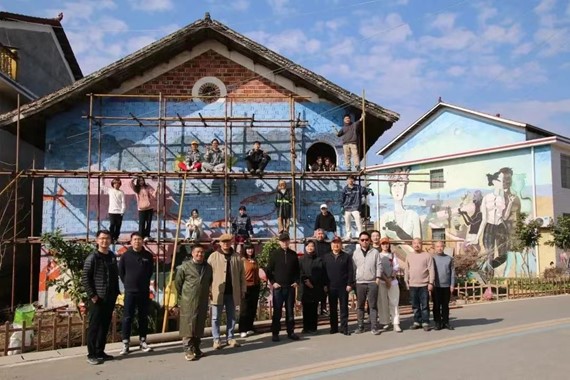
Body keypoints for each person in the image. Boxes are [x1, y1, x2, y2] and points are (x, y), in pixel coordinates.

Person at [81, 230, 120, 365]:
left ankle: (100, 351)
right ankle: (91, 354)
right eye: (102, 238)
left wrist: (116, 292)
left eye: (107, 238)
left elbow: (115, 276)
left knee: (104, 325)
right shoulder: (92, 257)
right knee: (94, 326)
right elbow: (85, 278)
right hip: (98, 298)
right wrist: (92, 295)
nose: (105, 241)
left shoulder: (112, 256)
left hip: (110, 296)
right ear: (97, 240)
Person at [174, 245, 213, 361]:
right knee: (188, 325)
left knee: (199, 324)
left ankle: (197, 348)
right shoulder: (184, 267)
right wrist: (185, 296)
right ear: (192, 253)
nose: (199, 254)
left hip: (202, 300)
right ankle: (188, 349)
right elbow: (178, 284)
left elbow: (209, 281)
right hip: (188, 300)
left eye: (202, 252)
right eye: (197, 252)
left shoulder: (208, 268)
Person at [207, 233, 246, 349]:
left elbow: (241, 275)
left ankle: (230, 338)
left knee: (232, 316)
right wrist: (208, 290)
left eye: (228, 242)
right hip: (217, 292)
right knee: (215, 317)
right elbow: (207, 275)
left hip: (232, 292)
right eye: (223, 242)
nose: (226, 244)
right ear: (220, 243)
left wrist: (243, 289)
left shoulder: (236, 257)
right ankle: (216, 339)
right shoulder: (213, 256)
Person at [118, 232, 154, 355]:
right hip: (130, 292)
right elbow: (121, 273)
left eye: (139, 239)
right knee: (128, 317)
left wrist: (143, 283)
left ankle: (143, 341)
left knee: (143, 317)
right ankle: (126, 342)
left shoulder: (148, 256)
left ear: (142, 241)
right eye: (135, 239)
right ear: (131, 241)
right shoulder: (125, 256)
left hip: (143, 291)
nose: (137, 241)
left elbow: (150, 272)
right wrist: (128, 284)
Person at [265, 232, 300, 342]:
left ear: (289, 241)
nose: (285, 242)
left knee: (290, 311)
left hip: (290, 287)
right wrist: (273, 282)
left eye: (286, 240)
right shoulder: (274, 254)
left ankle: (291, 332)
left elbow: (297, 271)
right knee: (277, 312)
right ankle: (275, 333)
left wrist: (296, 281)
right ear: (279, 242)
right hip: (278, 288)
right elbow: (268, 270)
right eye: (283, 241)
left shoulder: (293, 254)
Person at [323, 236, 354, 335]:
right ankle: (334, 327)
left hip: (343, 286)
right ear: (331, 245)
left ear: (341, 245)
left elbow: (350, 271)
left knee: (344, 308)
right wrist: (324, 285)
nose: (336, 245)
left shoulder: (346, 256)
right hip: (331, 286)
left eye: (338, 243)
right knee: (332, 308)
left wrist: (349, 284)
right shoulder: (326, 257)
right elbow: (323, 272)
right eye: (334, 243)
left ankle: (344, 328)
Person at [352, 231, 382, 335]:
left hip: (372, 282)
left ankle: (374, 327)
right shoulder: (356, 253)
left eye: (366, 240)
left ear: (369, 241)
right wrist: (354, 280)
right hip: (360, 283)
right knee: (360, 306)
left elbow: (379, 265)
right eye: (362, 240)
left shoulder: (375, 252)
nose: (364, 242)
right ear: (359, 241)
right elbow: (353, 267)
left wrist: (377, 278)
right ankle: (360, 327)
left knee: (373, 305)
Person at [405, 238, 435, 331]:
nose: (417, 245)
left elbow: (431, 270)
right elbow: (406, 270)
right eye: (414, 243)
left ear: (421, 244)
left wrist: (431, 282)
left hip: (424, 284)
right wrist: (406, 281)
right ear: (412, 245)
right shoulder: (409, 256)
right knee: (415, 305)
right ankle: (417, 321)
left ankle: (425, 322)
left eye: (418, 243)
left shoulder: (427, 256)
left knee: (425, 305)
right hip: (413, 284)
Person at [299, 240, 327, 334]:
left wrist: (313, 283)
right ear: (305, 247)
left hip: (315, 286)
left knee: (314, 308)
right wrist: (306, 281)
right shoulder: (301, 259)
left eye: (312, 246)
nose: (310, 248)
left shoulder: (319, 260)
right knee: (306, 308)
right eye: (308, 246)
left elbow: (321, 273)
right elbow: (299, 272)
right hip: (305, 287)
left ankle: (313, 327)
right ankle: (306, 327)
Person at [377, 236, 402, 333]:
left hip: (393, 282)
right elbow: (378, 269)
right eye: (383, 244)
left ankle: (396, 323)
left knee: (394, 302)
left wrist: (390, 278)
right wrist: (385, 279)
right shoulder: (378, 255)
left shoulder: (392, 255)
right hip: (382, 282)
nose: (385, 245)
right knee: (383, 303)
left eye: (386, 243)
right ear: (380, 245)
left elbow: (396, 267)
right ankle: (385, 322)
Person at [432, 241, 456, 331]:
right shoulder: (432, 258)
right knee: (436, 305)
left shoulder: (449, 258)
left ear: (444, 247)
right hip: (436, 286)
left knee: (445, 305)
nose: (439, 248)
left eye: (441, 246)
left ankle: (446, 322)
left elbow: (453, 273)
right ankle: (437, 322)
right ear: (435, 247)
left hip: (446, 286)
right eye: (437, 246)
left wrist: (452, 284)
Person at [238, 243, 261, 338]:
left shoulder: (255, 260)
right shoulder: (242, 260)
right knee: (244, 309)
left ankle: (250, 327)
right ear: (245, 250)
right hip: (246, 286)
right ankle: (242, 329)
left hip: (255, 286)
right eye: (248, 249)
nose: (250, 251)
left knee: (252, 307)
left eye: (251, 249)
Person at [341, 175, 368, 241]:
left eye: (352, 179)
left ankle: (361, 235)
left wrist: (368, 190)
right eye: (349, 179)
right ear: (347, 180)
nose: (351, 180)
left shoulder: (358, 187)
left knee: (358, 220)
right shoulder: (345, 189)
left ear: (354, 180)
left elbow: (365, 191)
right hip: (347, 207)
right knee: (347, 221)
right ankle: (348, 235)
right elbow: (342, 199)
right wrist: (342, 206)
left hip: (355, 207)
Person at [130, 176, 156, 242]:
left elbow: (153, 194)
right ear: (138, 182)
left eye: (142, 180)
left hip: (149, 207)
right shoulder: (136, 188)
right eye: (140, 181)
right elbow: (131, 184)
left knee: (148, 222)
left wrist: (158, 189)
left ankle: (147, 235)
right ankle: (141, 236)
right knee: (142, 223)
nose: (141, 182)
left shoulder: (147, 187)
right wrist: (134, 178)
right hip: (141, 208)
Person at [100, 177, 125, 243]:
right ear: (113, 184)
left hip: (119, 212)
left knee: (118, 225)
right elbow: (102, 186)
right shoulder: (110, 190)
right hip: (112, 211)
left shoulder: (121, 192)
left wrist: (123, 210)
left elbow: (123, 202)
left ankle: (116, 238)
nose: (116, 185)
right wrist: (102, 179)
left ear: (120, 184)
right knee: (112, 225)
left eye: (118, 183)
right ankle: (111, 238)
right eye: (115, 183)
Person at [313, 228, 332, 315]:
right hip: (315, 270)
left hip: (325, 270)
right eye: (318, 233)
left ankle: (323, 308)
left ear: (324, 235)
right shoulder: (312, 244)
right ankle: (315, 308)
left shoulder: (328, 245)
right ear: (315, 235)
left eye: (321, 234)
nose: (320, 235)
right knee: (315, 290)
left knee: (325, 290)